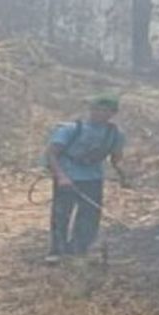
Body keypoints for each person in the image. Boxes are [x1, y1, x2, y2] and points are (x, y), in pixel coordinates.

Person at [44, 93, 128, 263]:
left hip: (93, 178)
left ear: (113, 113)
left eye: (107, 110)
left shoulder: (115, 134)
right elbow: (51, 153)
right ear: (91, 110)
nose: (101, 113)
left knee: (89, 216)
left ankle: (78, 251)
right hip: (67, 176)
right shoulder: (71, 129)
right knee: (61, 215)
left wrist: (123, 174)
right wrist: (61, 177)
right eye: (98, 109)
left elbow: (116, 157)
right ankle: (57, 251)